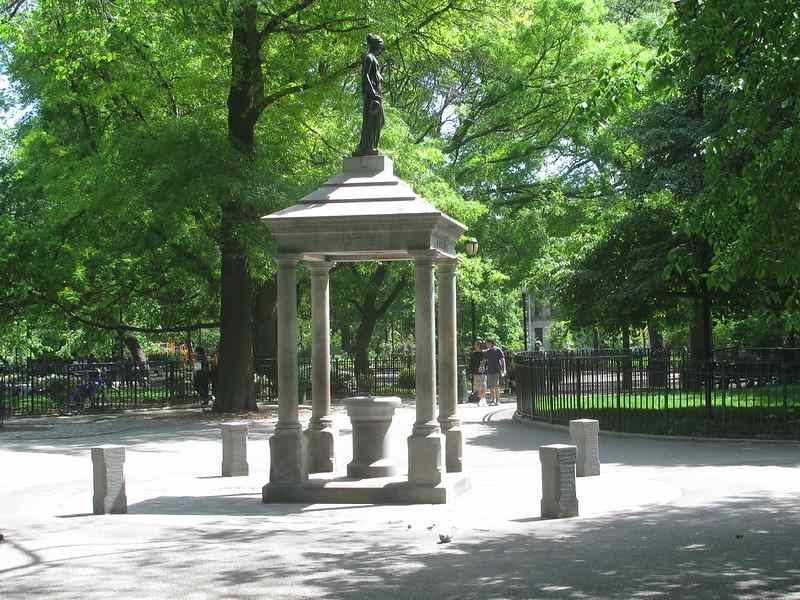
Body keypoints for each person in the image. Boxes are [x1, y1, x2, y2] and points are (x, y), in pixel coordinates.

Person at [485, 339, 506, 406]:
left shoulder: (498, 350)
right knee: (491, 386)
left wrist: (504, 369)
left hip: (496, 370)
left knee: (496, 385)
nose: (486, 345)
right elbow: (485, 360)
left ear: (491, 343)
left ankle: (497, 400)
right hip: (489, 370)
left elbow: (502, 360)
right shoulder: (487, 351)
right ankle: (493, 400)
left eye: (487, 343)